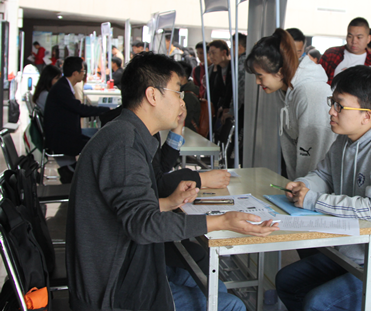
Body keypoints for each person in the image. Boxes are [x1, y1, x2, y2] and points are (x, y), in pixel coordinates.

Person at [66, 52, 279, 311]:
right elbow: (143, 224)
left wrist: (168, 202)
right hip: (114, 287)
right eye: (177, 92)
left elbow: (129, 208)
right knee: (231, 305)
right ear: (152, 95)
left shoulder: (128, 134)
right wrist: (222, 221)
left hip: (129, 261)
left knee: (212, 282)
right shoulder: (124, 146)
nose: (182, 101)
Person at [276, 66, 371, 311]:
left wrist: (313, 199)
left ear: (367, 115)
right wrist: (305, 185)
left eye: (339, 106)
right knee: (287, 282)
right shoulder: (344, 140)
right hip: (354, 252)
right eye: (332, 103)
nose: (331, 111)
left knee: (318, 303)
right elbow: (324, 175)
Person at [245, 29, 336, 181]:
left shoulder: (311, 93)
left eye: (260, 76)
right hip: (301, 185)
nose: (257, 82)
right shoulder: (284, 90)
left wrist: (304, 188)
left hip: (317, 187)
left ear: (280, 72)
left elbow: (318, 158)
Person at [44, 56, 109, 183]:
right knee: (98, 144)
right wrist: (105, 110)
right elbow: (79, 109)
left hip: (64, 133)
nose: (84, 74)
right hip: (61, 138)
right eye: (83, 71)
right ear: (75, 73)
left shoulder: (63, 85)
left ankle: (76, 171)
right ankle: (87, 177)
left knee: (96, 140)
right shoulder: (62, 89)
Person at [319, 17, 371, 85]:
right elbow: (317, 80)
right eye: (350, 36)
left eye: (359, 37)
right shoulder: (331, 54)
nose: (354, 41)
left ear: (368, 39)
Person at [208, 40, 233, 123]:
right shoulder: (214, 69)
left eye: (214, 53)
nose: (211, 56)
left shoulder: (234, 67)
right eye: (209, 54)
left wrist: (226, 106)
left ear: (224, 52)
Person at [177, 61, 202, 133]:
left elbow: (186, 122)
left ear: (183, 78)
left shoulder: (189, 96)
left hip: (188, 133)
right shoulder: (185, 91)